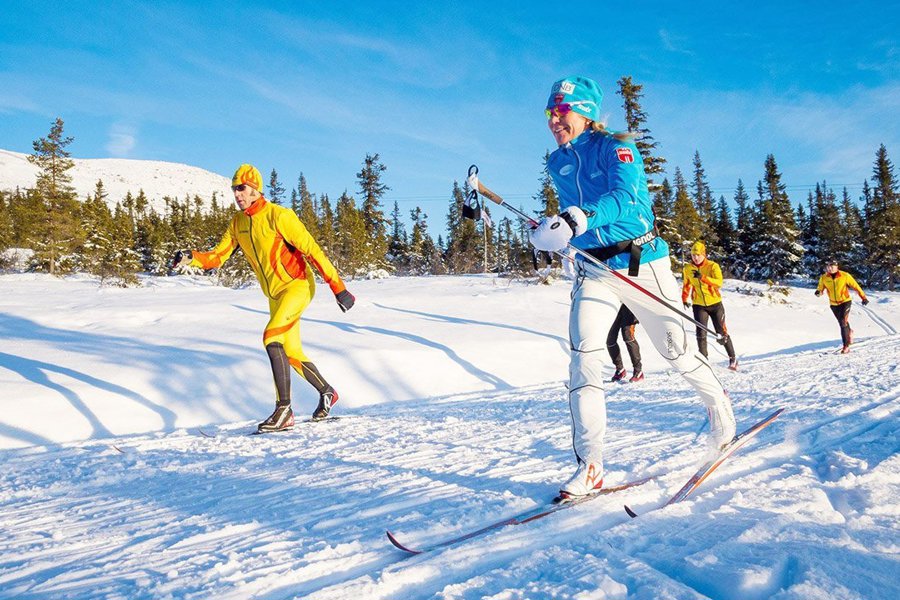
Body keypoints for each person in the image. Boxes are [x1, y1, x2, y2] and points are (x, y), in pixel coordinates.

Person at [529, 75, 736, 499]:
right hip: (594, 270)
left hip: (642, 263)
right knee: (583, 356)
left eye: (562, 111)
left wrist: (578, 217)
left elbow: (627, 199)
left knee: (677, 352)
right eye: (550, 112)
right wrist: (552, 230)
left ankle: (719, 408)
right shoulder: (557, 162)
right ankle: (591, 466)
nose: (554, 119)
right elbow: (572, 215)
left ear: (585, 112)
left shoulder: (616, 148)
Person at [172, 164, 355, 432]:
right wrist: (192, 257)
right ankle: (327, 391)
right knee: (291, 352)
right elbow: (217, 257)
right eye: (234, 189)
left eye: (242, 188)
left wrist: (338, 288)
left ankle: (284, 410)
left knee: (271, 337)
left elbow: (313, 251)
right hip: (274, 295)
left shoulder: (279, 216)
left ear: (256, 189)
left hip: (297, 286)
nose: (237, 194)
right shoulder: (238, 223)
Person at [681, 241, 738, 371]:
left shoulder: (713, 266)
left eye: (698, 255)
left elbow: (719, 283)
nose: (695, 258)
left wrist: (703, 277)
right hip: (699, 305)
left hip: (715, 304)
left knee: (721, 333)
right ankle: (704, 360)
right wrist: (685, 298)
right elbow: (687, 284)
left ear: (703, 254)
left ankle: (732, 358)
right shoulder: (688, 268)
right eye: (693, 255)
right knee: (701, 333)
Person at [815, 258, 868, 353]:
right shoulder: (824, 278)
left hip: (845, 301)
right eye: (828, 266)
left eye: (832, 266)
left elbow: (856, 286)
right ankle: (850, 332)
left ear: (836, 267)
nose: (830, 268)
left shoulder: (845, 275)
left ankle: (846, 346)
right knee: (842, 322)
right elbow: (820, 288)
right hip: (833, 304)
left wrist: (863, 298)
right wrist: (818, 292)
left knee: (843, 322)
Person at [607, 305, 643, 382]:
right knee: (610, 340)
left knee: (628, 337)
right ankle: (620, 370)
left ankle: (638, 371)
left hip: (629, 307)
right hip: (615, 305)